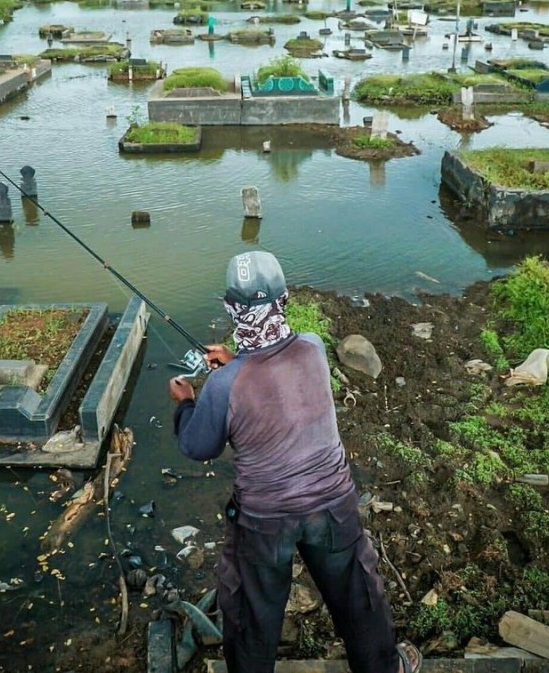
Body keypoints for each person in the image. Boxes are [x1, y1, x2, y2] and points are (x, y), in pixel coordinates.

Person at [169, 251, 422, 673]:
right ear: (283, 301)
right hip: (334, 506)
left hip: (265, 520)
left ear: (232, 308)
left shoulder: (221, 385)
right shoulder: (314, 347)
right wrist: (237, 360)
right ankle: (383, 667)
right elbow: (274, 372)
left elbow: (198, 447)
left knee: (253, 611)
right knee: (356, 593)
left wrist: (186, 402)